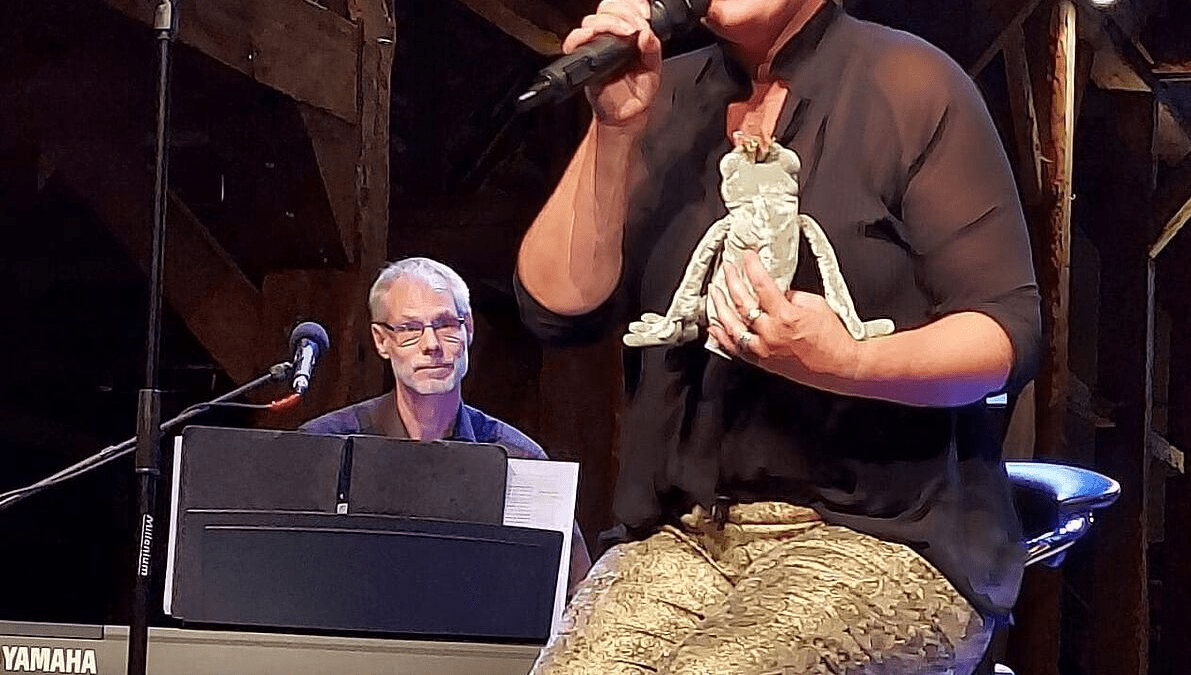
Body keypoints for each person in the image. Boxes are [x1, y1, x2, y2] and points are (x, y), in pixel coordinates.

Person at [514, 0, 1041, 672]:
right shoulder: (665, 99)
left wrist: (847, 361)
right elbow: (557, 307)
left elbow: (1003, 333)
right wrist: (612, 131)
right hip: (687, 535)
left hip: (887, 535)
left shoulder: (911, 85)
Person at [301, 257, 592, 593]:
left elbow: (574, 593)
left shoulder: (520, 459)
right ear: (381, 340)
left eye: (445, 325)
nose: (432, 345)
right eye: (409, 329)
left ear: (469, 329)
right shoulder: (325, 446)